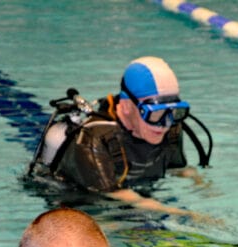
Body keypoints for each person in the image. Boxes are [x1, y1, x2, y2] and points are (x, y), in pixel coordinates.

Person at [31, 56, 212, 219]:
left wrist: (204, 187)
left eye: (173, 111)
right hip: (80, 200)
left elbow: (177, 168)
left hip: (135, 193)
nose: (164, 124)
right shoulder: (93, 139)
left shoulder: (171, 126)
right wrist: (182, 214)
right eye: (155, 114)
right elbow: (113, 194)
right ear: (126, 106)